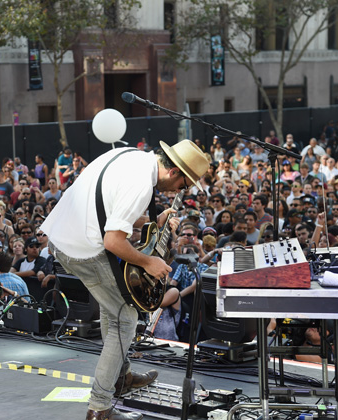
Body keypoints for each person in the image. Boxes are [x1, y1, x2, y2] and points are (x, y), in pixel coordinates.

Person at [41, 140, 209, 420]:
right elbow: (113, 241)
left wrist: (150, 221)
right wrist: (149, 262)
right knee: (126, 319)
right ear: (174, 172)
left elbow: (112, 209)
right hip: (82, 247)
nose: (181, 191)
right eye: (184, 185)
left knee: (115, 310)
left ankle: (122, 378)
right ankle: (100, 407)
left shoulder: (133, 157)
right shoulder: (142, 184)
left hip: (65, 235)